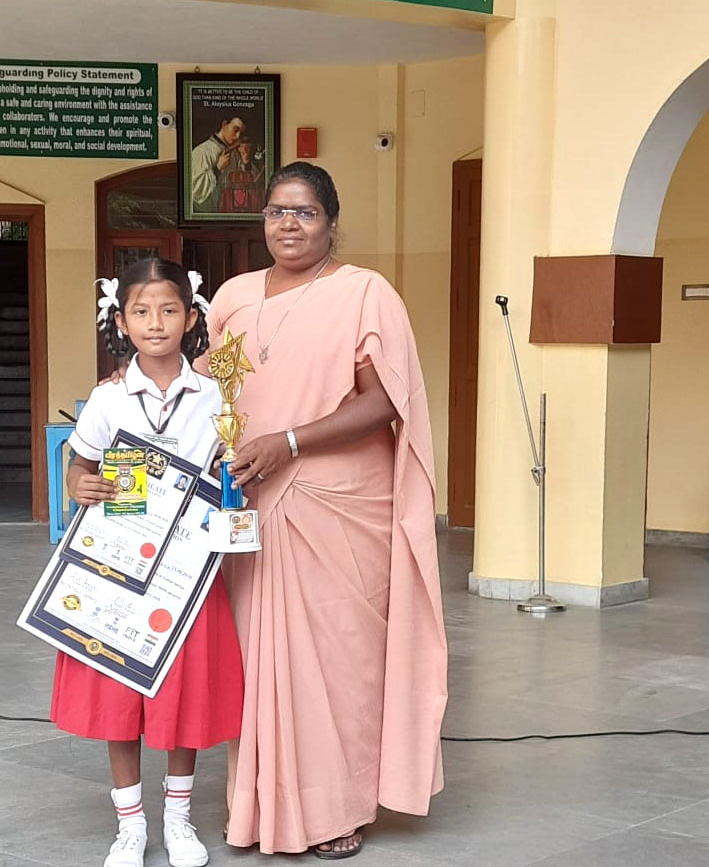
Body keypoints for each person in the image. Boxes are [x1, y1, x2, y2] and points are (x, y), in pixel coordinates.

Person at [202, 162, 448, 858]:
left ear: (331, 223)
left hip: (336, 504)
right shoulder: (233, 298)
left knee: (339, 662)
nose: (288, 223)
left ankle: (338, 808)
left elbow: (381, 402)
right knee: (256, 663)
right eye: (278, 210)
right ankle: (257, 808)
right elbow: (211, 389)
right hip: (251, 505)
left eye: (305, 212)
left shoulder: (365, 294)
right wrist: (134, 385)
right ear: (263, 221)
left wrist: (288, 441)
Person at [54, 258, 244, 867]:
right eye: (141, 312)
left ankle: (180, 820)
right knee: (119, 692)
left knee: (182, 694)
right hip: (118, 568)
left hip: (188, 568)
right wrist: (78, 486)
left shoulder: (217, 394)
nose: (155, 323)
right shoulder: (109, 399)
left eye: (168, 311)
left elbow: (235, 464)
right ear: (121, 321)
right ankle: (130, 825)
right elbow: (76, 469)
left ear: (191, 319)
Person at [191, 116, 245, 213]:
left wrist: (246, 161)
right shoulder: (202, 151)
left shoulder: (235, 154)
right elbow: (194, 190)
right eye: (235, 130)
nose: (237, 136)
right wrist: (217, 169)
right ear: (224, 124)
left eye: (241, 133)